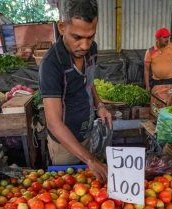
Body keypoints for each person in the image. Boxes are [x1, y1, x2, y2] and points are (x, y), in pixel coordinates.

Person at [39, 0, 112, 183]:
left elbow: (89, 81)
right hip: (65, 146)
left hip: (88, 134)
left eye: (91, 36)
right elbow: (54, 123)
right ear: (62, 27)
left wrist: (100, 105)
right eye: (77, 37)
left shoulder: (91, 50)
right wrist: (90, 160)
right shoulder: (51, 64)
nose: (85, 45)